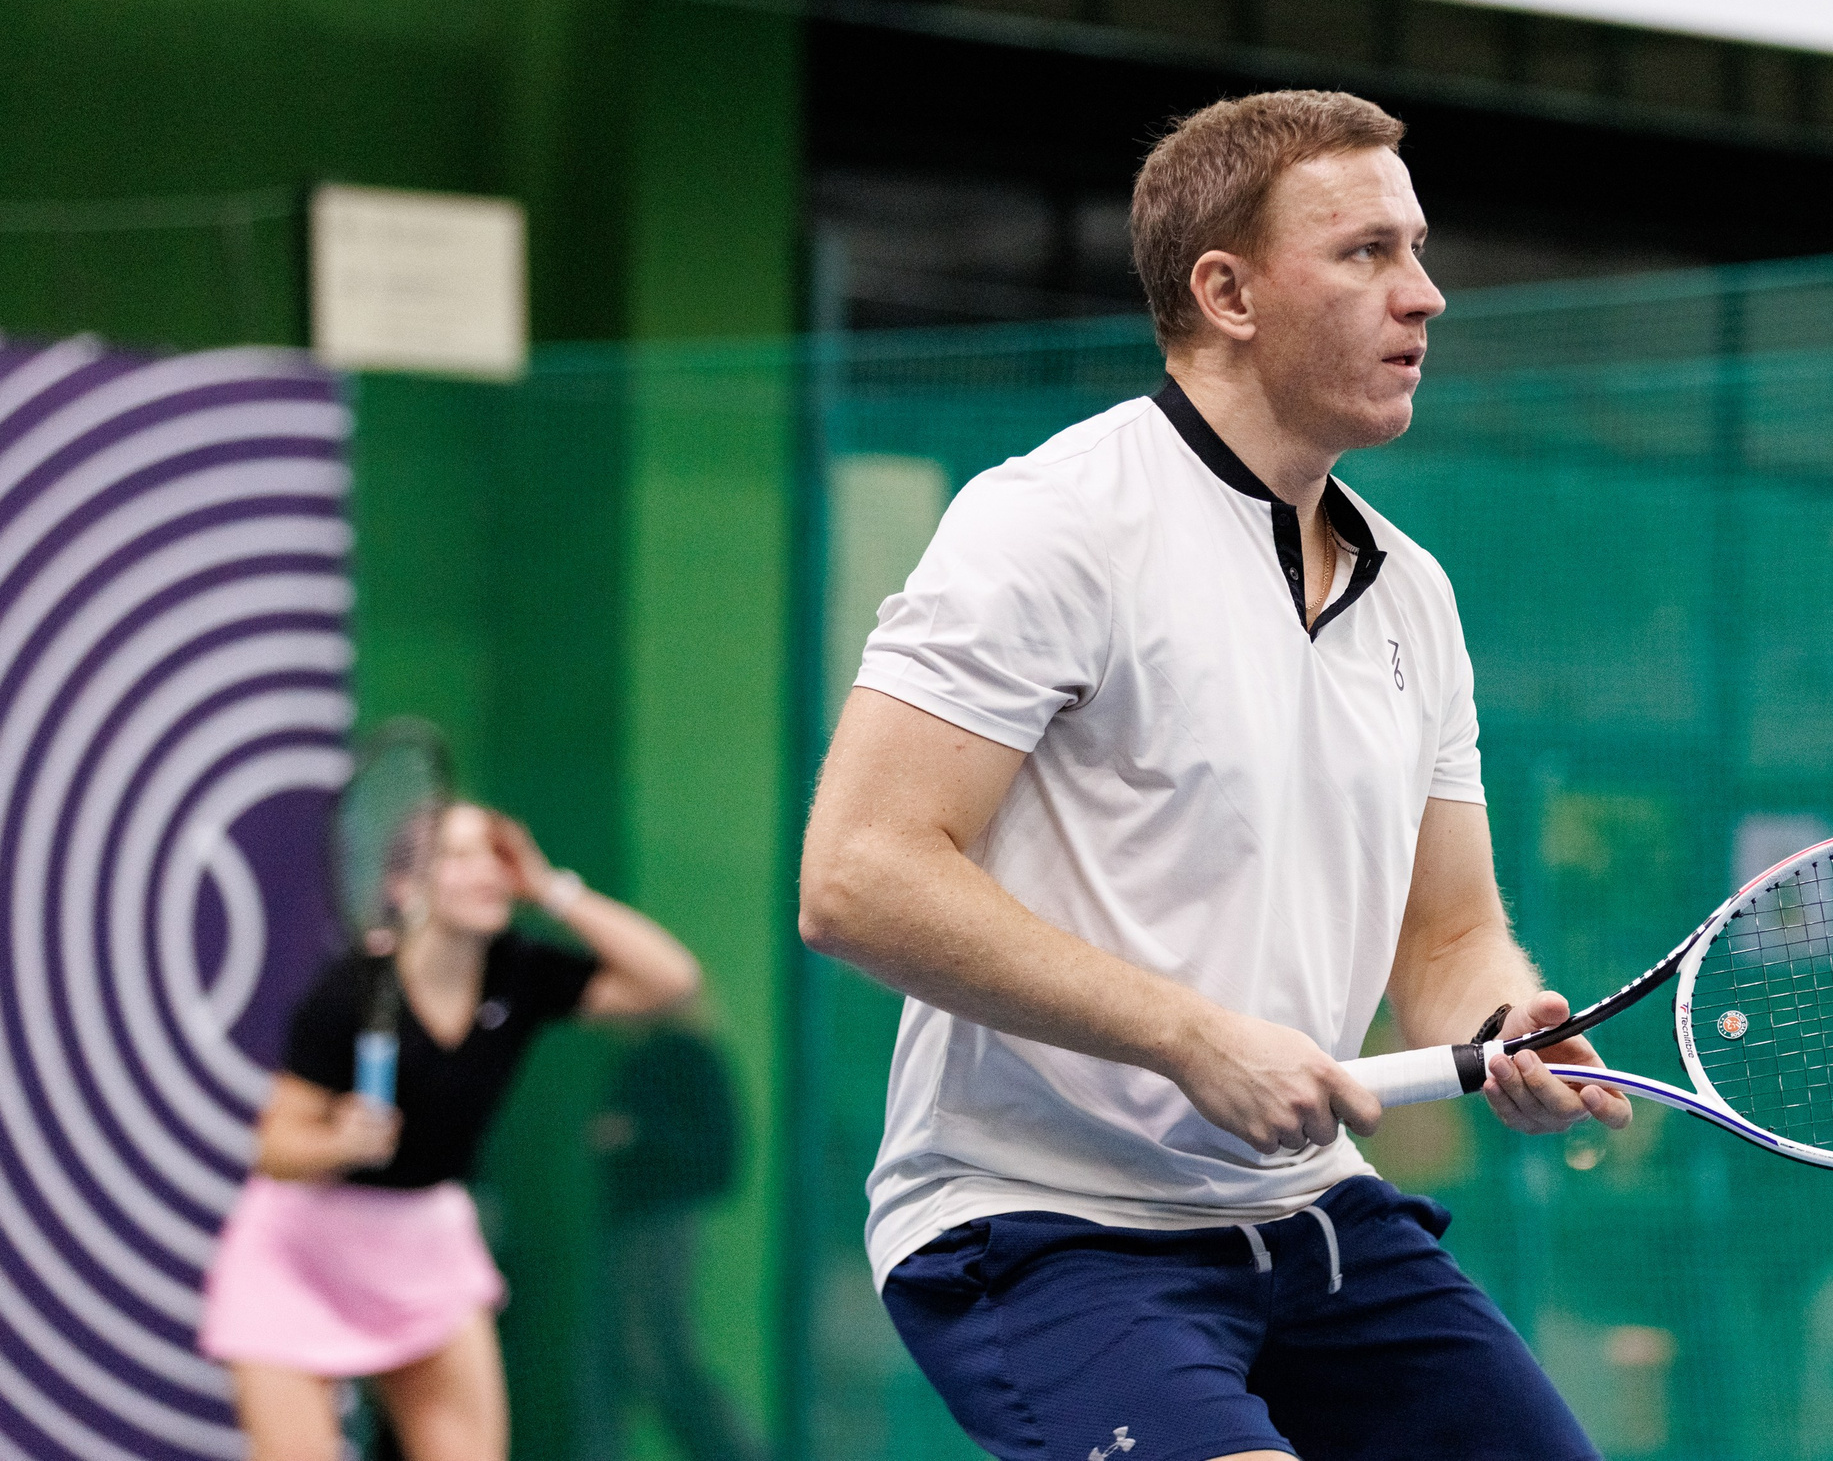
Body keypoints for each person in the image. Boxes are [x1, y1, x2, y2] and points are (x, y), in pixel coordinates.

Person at [799, 88, 1632, 1461]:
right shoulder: (1051, 528)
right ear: (1227, 292)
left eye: (1417, 251)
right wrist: (1194, 1037)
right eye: (1367, 253)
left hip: (1308, 1215)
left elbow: (1447, 934)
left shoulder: (1413, 595)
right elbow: (859, 877)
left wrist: (1503, 1019)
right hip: (1042, 1222)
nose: (1423, 297)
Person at [201, 801, 703, 1461]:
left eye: (494, 854)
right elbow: (274, 1148)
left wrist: (552, 888)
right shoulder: (347, 992)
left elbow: (671, 981)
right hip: (302, 1250)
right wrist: (338, 1144)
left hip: (425, 1244)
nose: (486, 871)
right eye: (458, 855)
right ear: (403, 888)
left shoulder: (519, 974)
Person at [578, 1016, 763, 1461]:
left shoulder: (686, 1055)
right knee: (606, 1364)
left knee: (653, 1357)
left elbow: (719, 1156)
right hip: (626, 1225)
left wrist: (636, 1136)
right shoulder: (644, 1054)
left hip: (662, 1224)